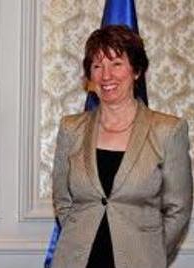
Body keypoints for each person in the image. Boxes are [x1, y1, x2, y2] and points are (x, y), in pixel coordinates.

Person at [51, 25, 192, 268]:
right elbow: (63, 201)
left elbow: (178, 209)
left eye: (116, 63)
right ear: (89, 75)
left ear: (136, 70)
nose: (106, 76)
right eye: (97, 65)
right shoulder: (71, 129)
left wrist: (149, 252)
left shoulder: (168, 130)